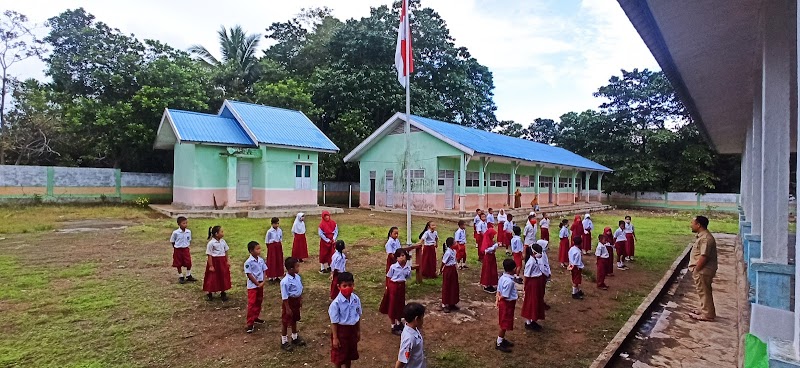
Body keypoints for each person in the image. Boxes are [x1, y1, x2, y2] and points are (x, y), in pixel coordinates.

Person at [329, 271, 362, 368]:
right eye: (344, 285)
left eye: (350, 285)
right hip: (341, 332)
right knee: (339, 357)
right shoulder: (336, 304)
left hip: (352, 330)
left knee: (349, 354)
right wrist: (335, 338)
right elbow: (334, 322)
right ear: (339, 287)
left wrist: (358, 331)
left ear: (353, 285)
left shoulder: (356, 299)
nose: (347, 288)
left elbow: (358, 315)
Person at [689, 215, 717, 322]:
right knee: (703, 291)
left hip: (703, 270)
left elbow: (704, 256)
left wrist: (697, 269)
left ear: (698, 225)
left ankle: (708, 315)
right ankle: (705, 309)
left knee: (704, 291)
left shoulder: (706, 238)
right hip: (703, 270)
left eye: (692, 223)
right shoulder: (703, 236)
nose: (691, 225)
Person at [381, 249, 412, 335]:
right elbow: (389, 277)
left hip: (402, 286)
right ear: (396, 258)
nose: (402, 258)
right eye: (399, 256)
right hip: (393, 286)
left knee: (400, 304)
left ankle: (399, 322)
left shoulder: (407, 267)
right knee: (393, 305)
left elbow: (408, 277)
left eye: (403, 255)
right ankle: (393, 325)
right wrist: (388, 287)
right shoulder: (393, 267)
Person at [279, 257, 306, 351]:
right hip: (289, 302)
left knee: (295, 319)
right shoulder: (285, 282)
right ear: (291, 269)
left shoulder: (297, 277)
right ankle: (284, 341)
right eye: (297, 267)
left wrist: (300, 300)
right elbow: (285, 296)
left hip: (296, 301)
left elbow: (299, 289)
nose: (298, 268)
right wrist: (287, 308)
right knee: (286, 321)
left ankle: (294, 337)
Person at [495, 259, 518, 353]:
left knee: (505, 322)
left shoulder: (502, 277)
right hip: (507, 304)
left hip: (505, 303)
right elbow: (505, 295)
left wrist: (497, 299)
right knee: (504, 323)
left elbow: (499, 290)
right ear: (512, 269)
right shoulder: (510, 282)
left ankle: (502, 339)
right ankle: (499, 342)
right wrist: (500, 299)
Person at [244, 241, 267, 333]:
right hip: (253, 286)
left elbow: (264, 269)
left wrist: (263, 280)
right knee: (252, 303)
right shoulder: (248, 262)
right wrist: (257, 283)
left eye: (259, 248)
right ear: (251, 251)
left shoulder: (261, 260)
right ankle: (250, 323)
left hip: (260, 284)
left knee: (259, 301)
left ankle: (255, 317)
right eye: (257, 249)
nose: (259, 250)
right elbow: (249, 274)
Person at [522, 243, 546, 331]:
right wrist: (525, 287)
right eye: (538, 252)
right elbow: (526, 276)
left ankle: (533, 319)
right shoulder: (530, 262)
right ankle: (528, 322)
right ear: (533, 252)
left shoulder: (534, 260)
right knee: (531, 302)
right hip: (532, 284)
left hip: (536, 283)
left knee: (536, 302)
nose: (540, 254)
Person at [204, 225, 231, 301]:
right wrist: (211, 265)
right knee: (212, 277)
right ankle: (210, 292)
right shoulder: (211, 243)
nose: (223, 233)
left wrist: (227, 261)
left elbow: (226, 251)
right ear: (216, 234)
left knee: (223, 276)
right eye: (221, 232)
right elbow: (209, 255)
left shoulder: (223, 241)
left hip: (222, 261)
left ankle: (223, 291)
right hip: (215, 262)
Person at [395, 302, 427, 368]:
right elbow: (401, 360)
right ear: (416, 319)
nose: (423, 320)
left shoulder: (412, 328)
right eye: (422, 318)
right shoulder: (409, 339)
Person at [170, 216, 196, 284]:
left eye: (186, 223)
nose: (185, 224)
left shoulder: (188, 232)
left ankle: (188, 275)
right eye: (183, 223)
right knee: (178, 263)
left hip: (185, 249)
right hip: (178, 249)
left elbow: (189, 240)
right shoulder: (175, 232)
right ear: (179, 224)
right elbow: (172, 241)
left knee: (188, 262)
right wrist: (176, 247)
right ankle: (181, 276)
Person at [439, 237, 460, 313]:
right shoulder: (448, 252)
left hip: (453, 269)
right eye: (455, 243)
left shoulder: (454, 251)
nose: (456, 244)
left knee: (453, 286)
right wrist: (441, 270)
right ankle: (444, 304)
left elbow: (454, 260)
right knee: (447, 286)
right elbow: (443, 262)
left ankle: (452, 302)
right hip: (448, 270)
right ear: (451, 245)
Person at [480, 227, 500, 293]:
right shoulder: (486, 240)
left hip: (492, 257)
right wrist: (494, 247)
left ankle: (491, 283)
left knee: (492, 270)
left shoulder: (490, 240)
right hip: (488, 258)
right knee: (487, 271)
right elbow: (485, 250)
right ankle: (486, 285)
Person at [535, 238, 553, 310]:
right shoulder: (540, 255)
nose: (547, 248)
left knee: (542, 290)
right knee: (540, 290)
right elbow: (542, 266)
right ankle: (540, 303)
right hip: (542, 274)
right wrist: (547, 274)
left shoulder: (543, 253)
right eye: (545, 246)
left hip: (543, 274)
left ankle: (541, 302)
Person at [265, 217, 284, 282]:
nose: (277, 225)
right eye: (275, 224)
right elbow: (267, 241)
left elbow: (281, 238)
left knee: (278, 260)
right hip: (272, 247)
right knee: (272, 261)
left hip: (278, 246)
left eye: (278, 223)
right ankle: (271, 276)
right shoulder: (269, 232)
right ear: (272, 224)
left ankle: (278, 275)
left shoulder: (280, 230)